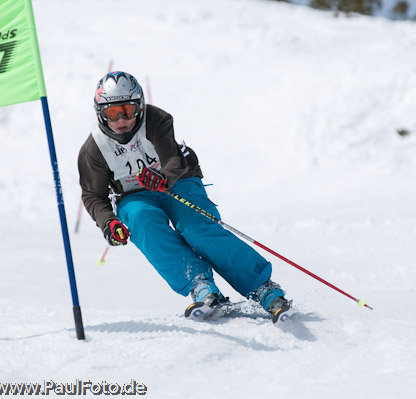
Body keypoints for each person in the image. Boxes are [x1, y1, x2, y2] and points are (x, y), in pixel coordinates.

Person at [78, 71, 294, 323]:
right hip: (135, 196)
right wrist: (108, 222)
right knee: (141, 221)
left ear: (140, 105)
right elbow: (93, 195)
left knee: (196, 228)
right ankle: (199, 284)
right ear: (99, 113)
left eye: (128, 109)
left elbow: (171, 158)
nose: (122, 119)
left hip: (176, 182)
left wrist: (163, 177)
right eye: (112, 113)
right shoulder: (93, 149)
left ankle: (262, 286)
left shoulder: (156, 119)